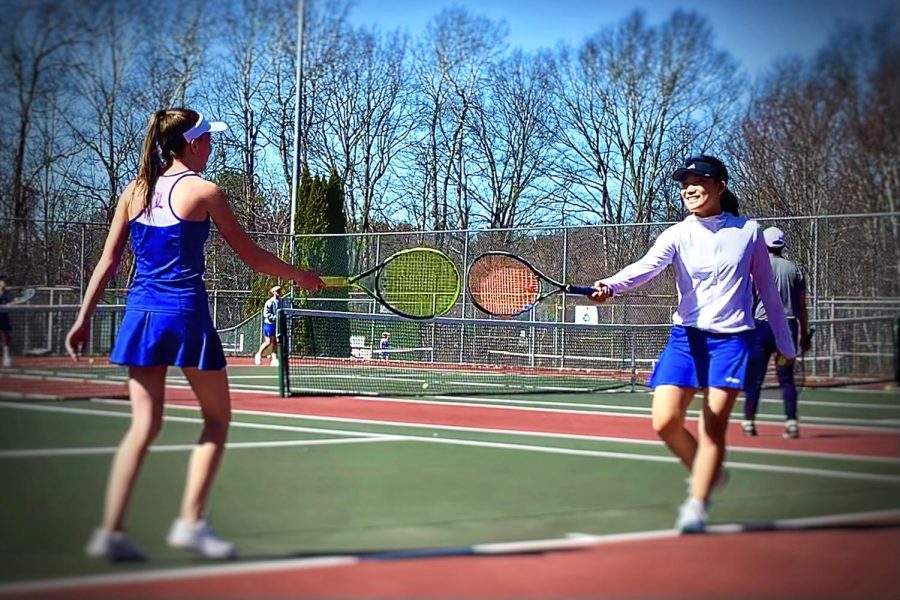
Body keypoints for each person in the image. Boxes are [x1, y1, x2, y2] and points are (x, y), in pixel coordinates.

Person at [65, 109, 324, 561]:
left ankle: (109, 531)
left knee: (143, 427)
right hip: (184, 314)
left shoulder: (134, 190)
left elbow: (107, 262)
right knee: (218, 420)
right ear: (189, 145)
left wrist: (83, 318)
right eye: (207, 139)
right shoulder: (206, 191)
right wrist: (300, 275)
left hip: (141, 315)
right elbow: (253, 257)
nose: (211, 146)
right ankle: (191, 522)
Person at [589, 154, 795, 533]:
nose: (690, 188)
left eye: (699, 180)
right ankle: (709, 471)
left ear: (720, 186)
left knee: (712, 427)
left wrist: (786, 345)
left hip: (732, 340)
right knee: (665, 421)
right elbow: (646, 267)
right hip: (686, 338)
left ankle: (696, 504)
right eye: (685, 182)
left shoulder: (749, 233)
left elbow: (767, 290)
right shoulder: (677, 234)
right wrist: (610, 285)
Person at [742, 227, 811, 439]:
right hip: (787, 329)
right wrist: (804, 334)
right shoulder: (795, 270)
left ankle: (749, 422)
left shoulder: (756, 268)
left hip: (762, 328)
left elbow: (747, 300)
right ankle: (791, 423)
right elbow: (801, 307)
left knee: (755, 378)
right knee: (787, 378)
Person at [254, 285, 283, 367]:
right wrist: (275, 317)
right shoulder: (269, 302)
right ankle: (258, 354)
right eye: (277, 291)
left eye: (279, 291)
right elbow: (266, 314)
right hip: (269, 324)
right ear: (273, 292)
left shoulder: (281, 301)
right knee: (268, 341)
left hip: (277, 324)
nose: (278, 293)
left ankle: (274, 358)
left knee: (276, 342)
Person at [0, 276, 11, 367]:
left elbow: (6, 303)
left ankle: (6, 357)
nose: (4, 283)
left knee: (5, 336)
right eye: (2, 281)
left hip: (3, 318)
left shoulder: (6, 293)